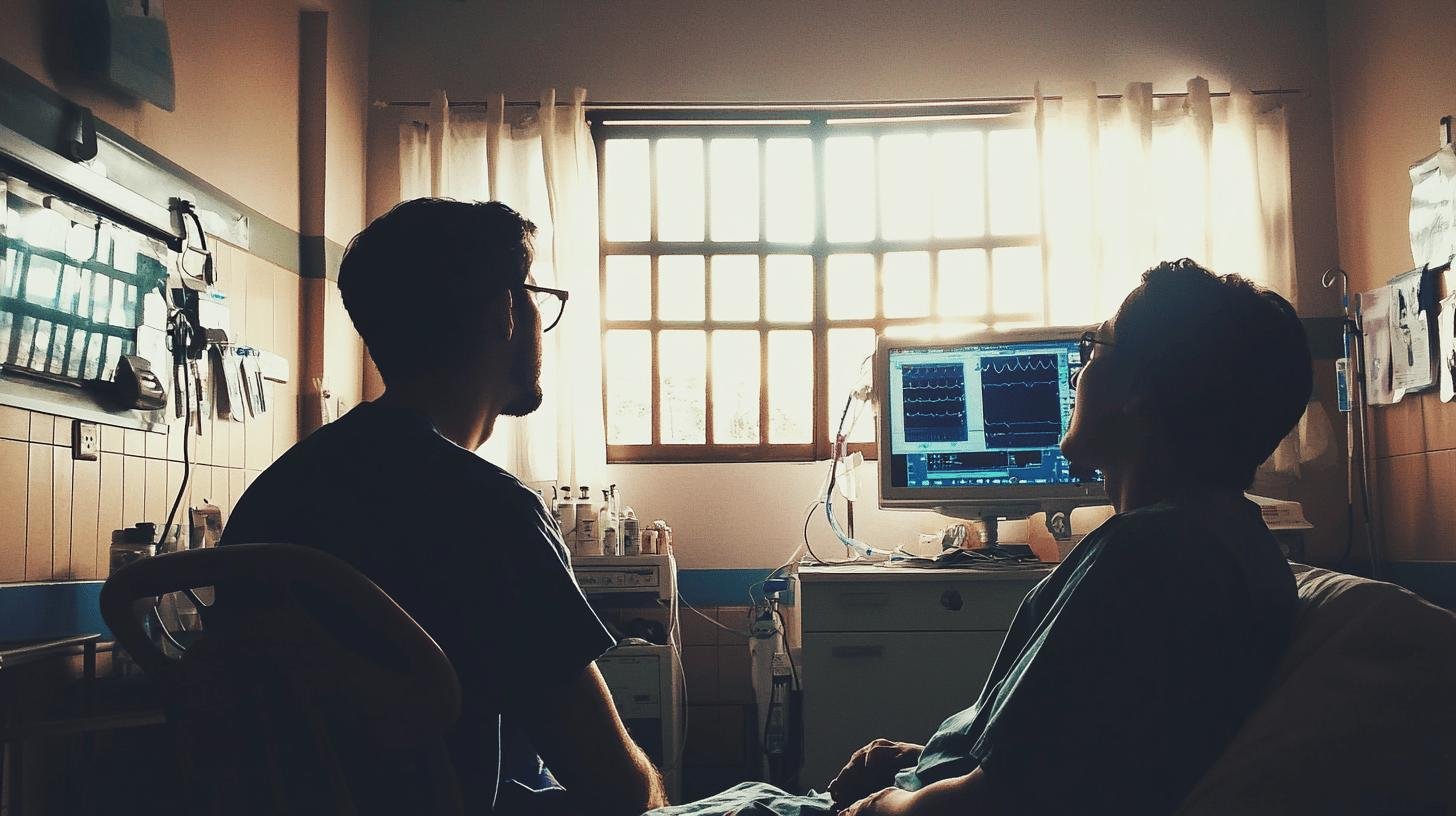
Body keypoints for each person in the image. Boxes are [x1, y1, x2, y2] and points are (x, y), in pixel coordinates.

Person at [652, 259, 1311, 816]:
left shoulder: (1148, 560)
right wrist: (918, 760)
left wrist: (875, 805)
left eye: (1093, 351)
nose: (1076, 375)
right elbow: (1069, 757)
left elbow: (996, 802)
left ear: (1137, 389)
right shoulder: (1226, 546)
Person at [222, 199, 666, 816]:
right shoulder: (493, 515)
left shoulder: (271, 500)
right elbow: (617, 790)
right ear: (506, 312)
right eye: (536, 294)